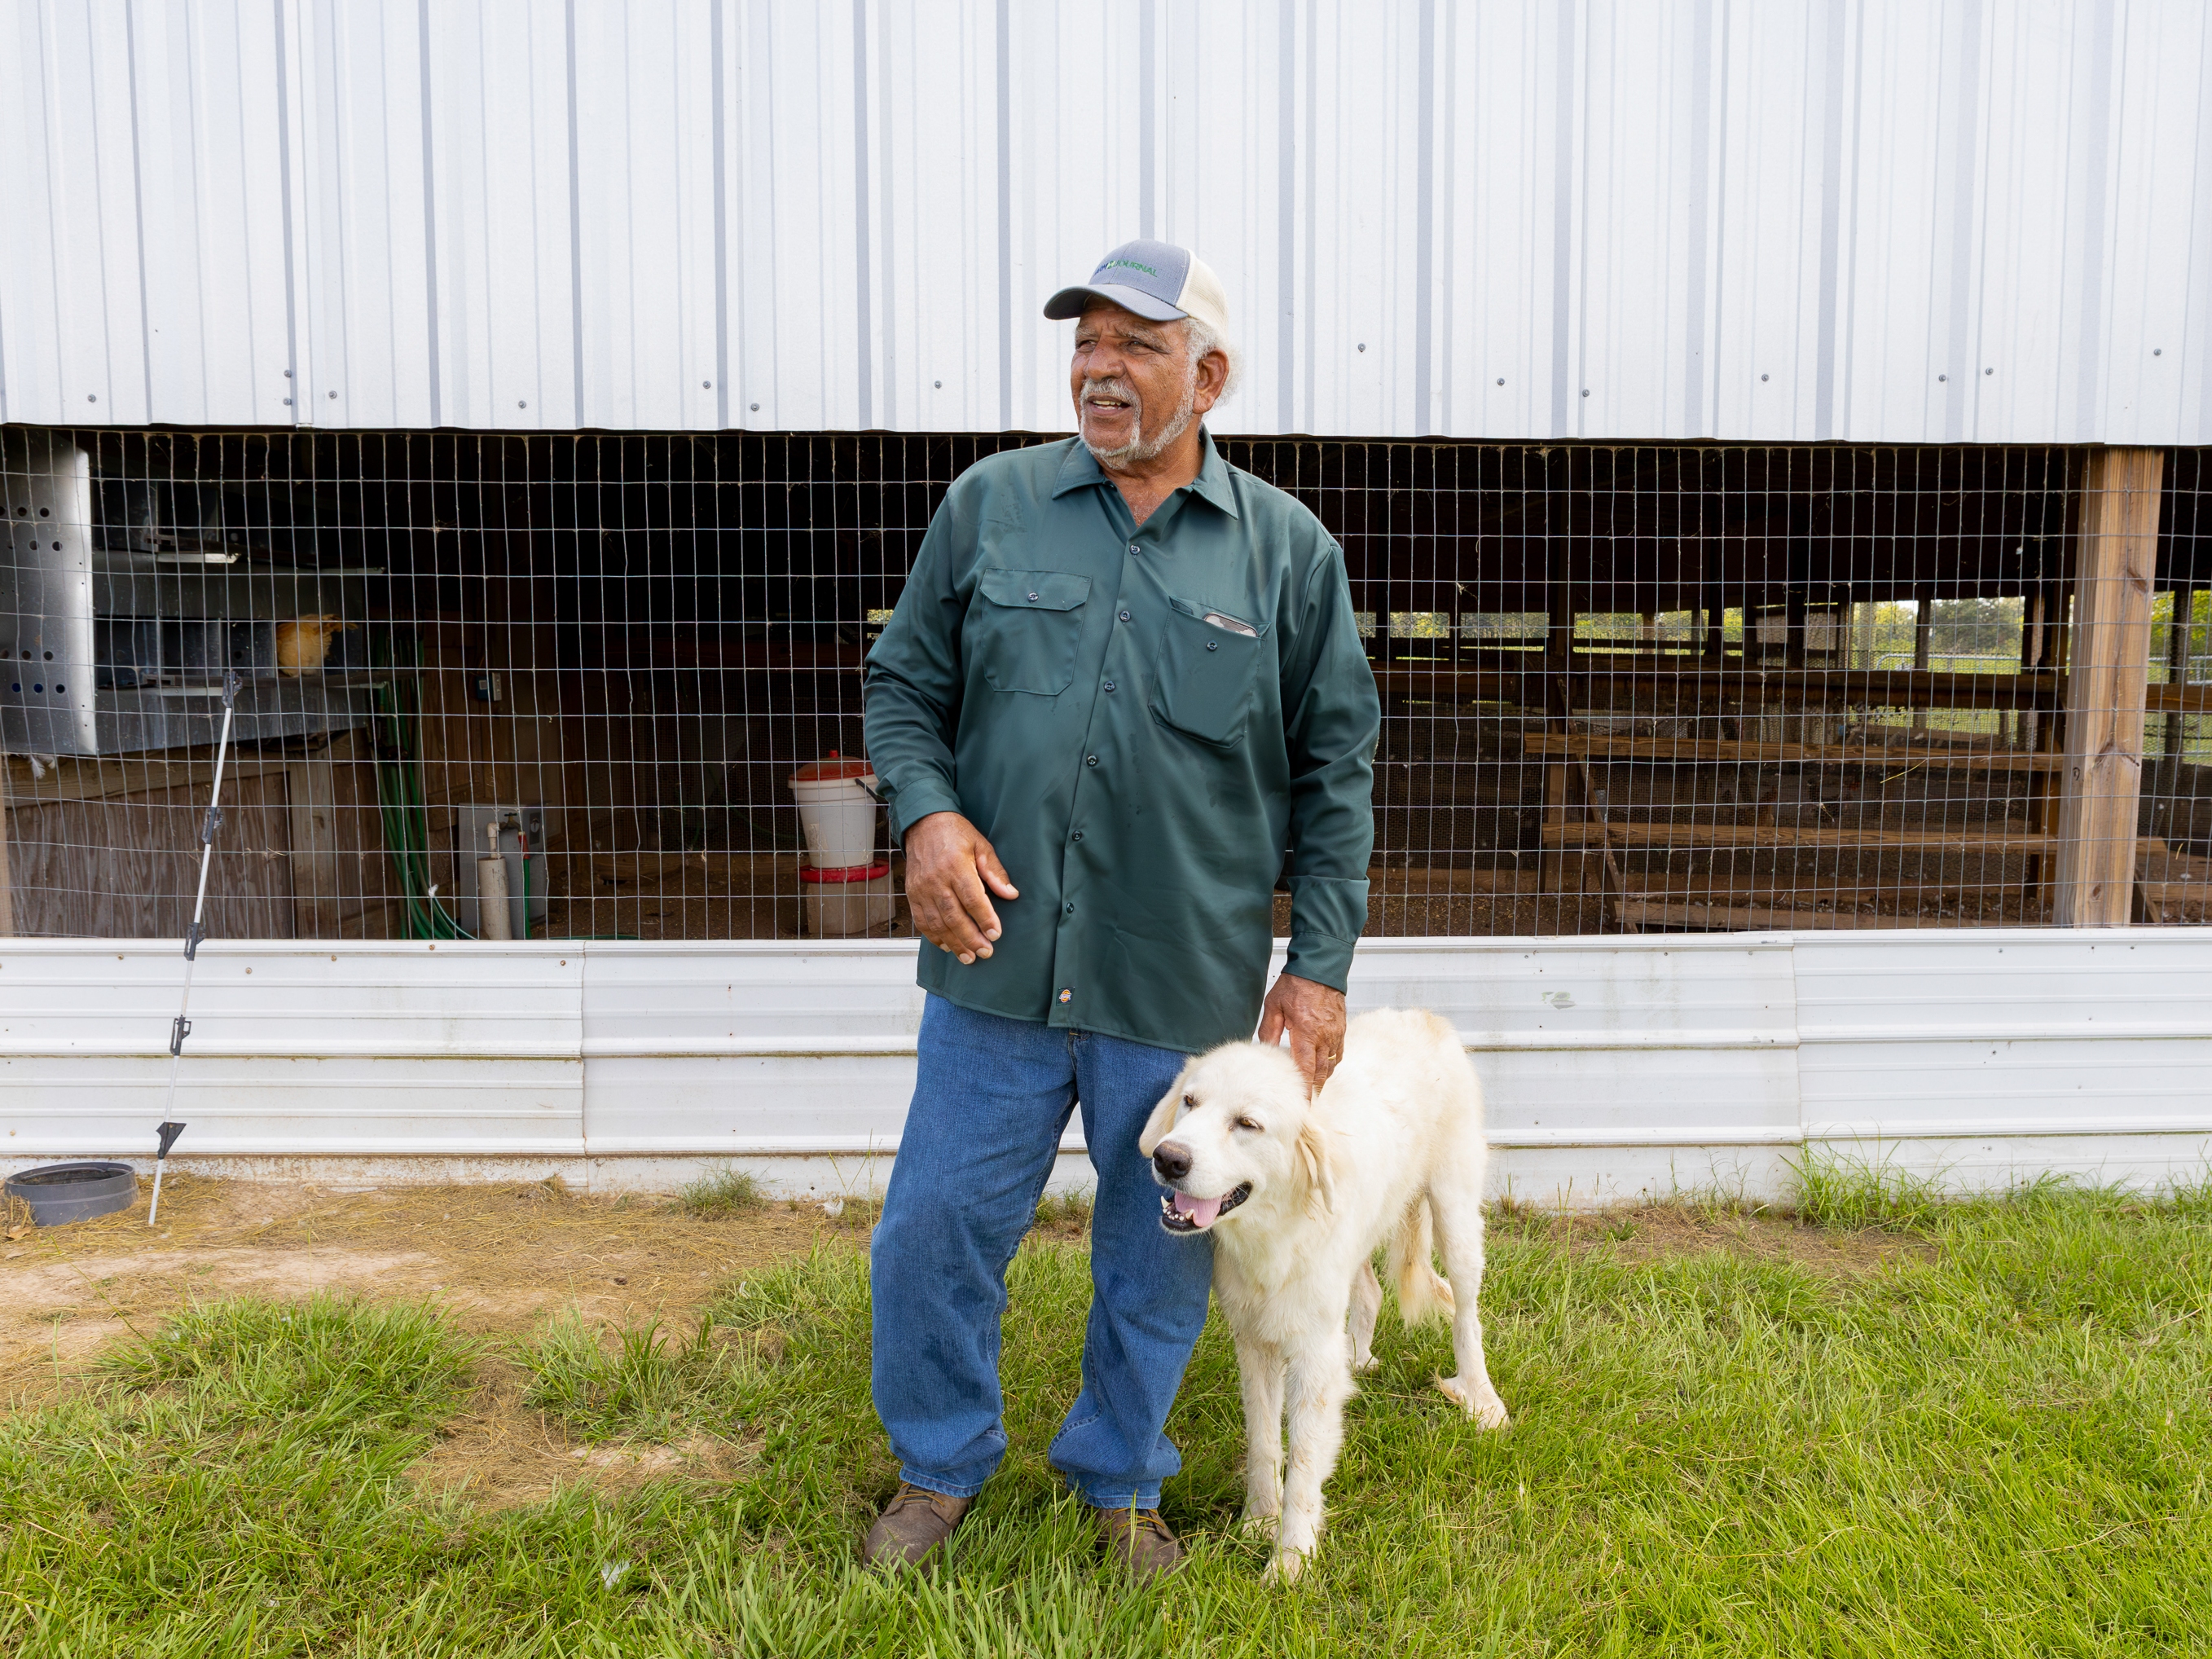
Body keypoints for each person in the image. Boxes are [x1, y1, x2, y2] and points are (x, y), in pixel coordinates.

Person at [859, 239, 1380, 1578]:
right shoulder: (991, 507)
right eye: (1087, 342)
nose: (1100, 368)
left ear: (1207, 378)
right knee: (935, 1225)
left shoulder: (1287, 556)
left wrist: (1316, 972)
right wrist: (925, 811)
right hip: (998, 960)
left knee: (1159, 1252)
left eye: (1137, 346)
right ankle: (937, 1466)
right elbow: (904, 687)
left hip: (1182, 981)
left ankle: (1122, 1480)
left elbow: (1338, 777)